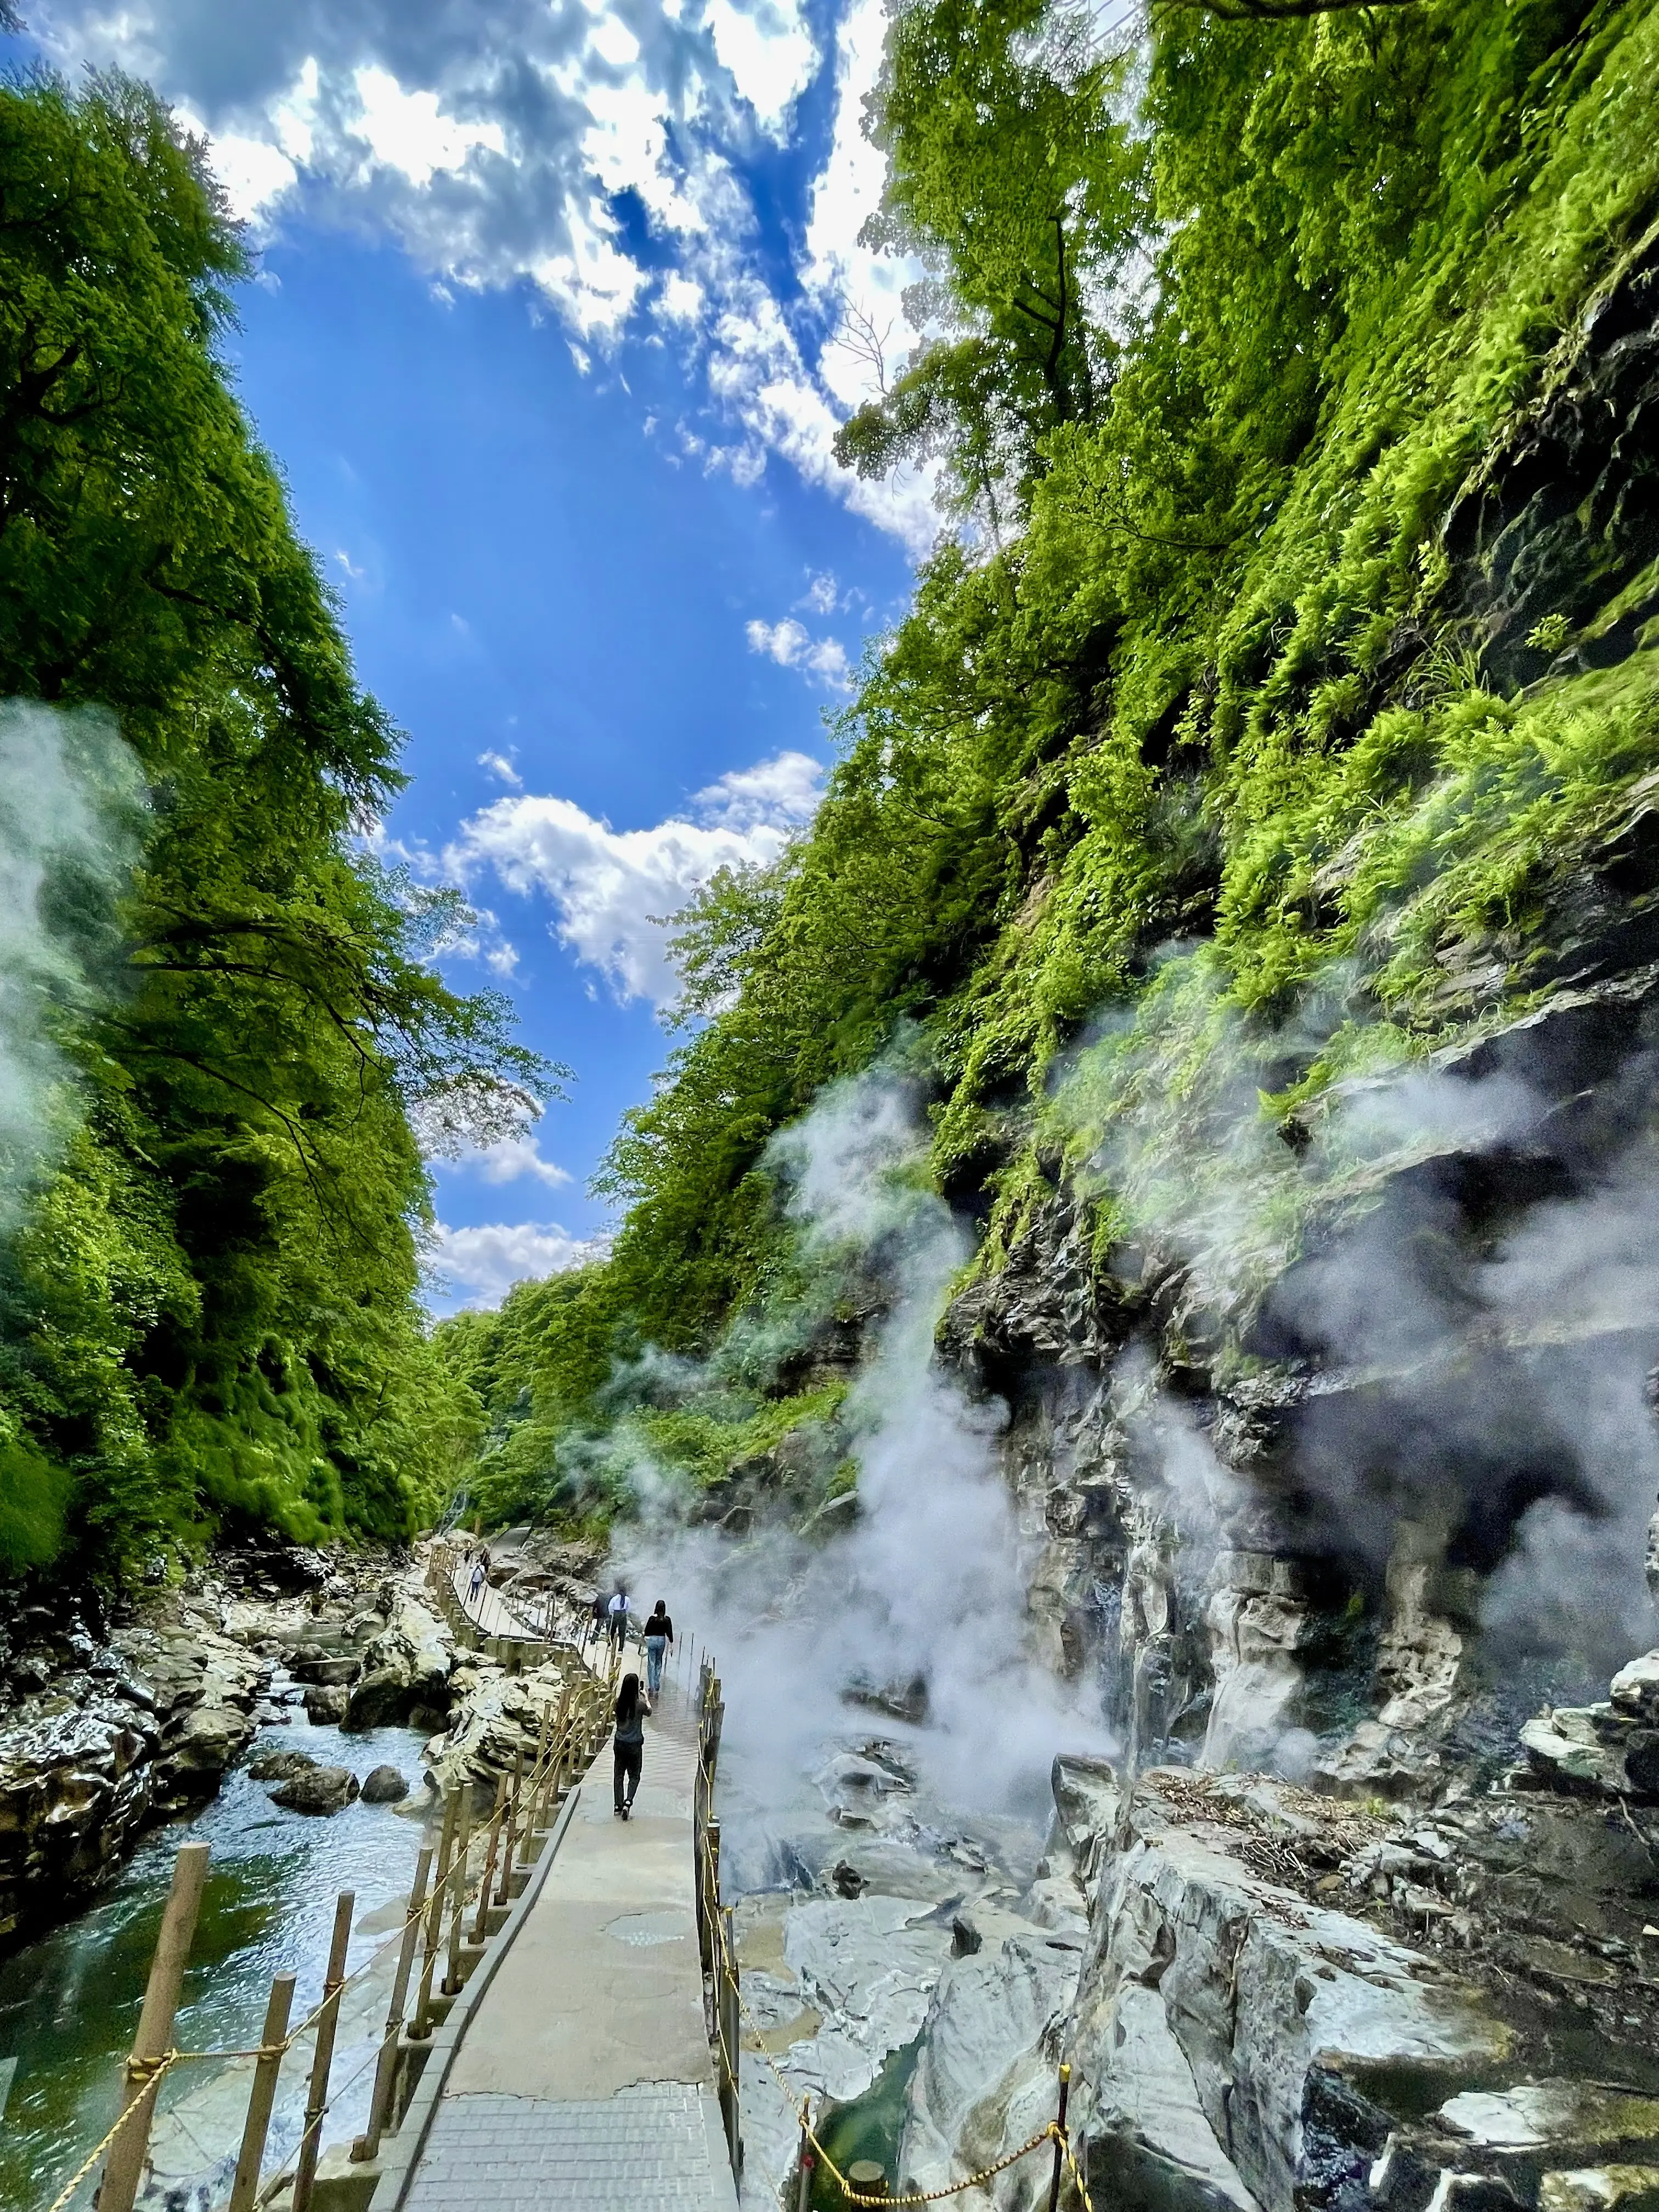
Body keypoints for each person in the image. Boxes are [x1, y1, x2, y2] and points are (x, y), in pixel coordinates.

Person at [613, 1671, 645, 1818]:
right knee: (634, 1776)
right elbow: (650, 1711)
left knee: (618, 1775)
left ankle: (617, 1805)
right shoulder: (639, 1706)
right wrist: (646, 1697)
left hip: (619, 1743)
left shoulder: (617, 1703)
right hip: (635, 1745)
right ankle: (628, 1802)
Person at [642, 1600, 674, 1705]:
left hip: (652, 1641)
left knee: (651, 1662)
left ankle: (651, 1686)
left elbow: (646, 1631)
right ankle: (657, 1684)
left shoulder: (652, 1619)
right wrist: (671, 1645)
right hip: (661, 1641)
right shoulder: (667, 1620)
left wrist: (646, 1639)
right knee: (659, 1662)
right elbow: (670, 1633)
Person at [607, 1587, 630, 1651]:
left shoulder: (615, 1598)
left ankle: (610, 1645)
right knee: (622, 1632)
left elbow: (610, 1607)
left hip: (616, 1614)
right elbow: (628, 1608)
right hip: (623, 1614)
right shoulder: (627, 1599)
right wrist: (625, 1613)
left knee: (612, 1630)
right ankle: (621, 1649)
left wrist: (611, 1613)